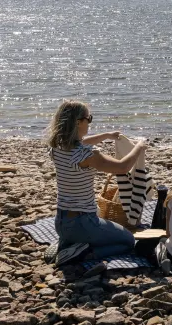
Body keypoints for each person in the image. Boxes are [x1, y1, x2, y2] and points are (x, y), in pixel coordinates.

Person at [46, 100, 148, 269]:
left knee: (108, 232)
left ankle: (69, 244)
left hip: (61, 223)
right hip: (83, 223)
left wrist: (106, 135)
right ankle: (85, 253)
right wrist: (139, 146)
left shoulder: (56, 147)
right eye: (89, 118)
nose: (90, 122)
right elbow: (122, 167)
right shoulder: (87, 155)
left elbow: (80, 141)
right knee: (129, 241)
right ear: (78, 122)